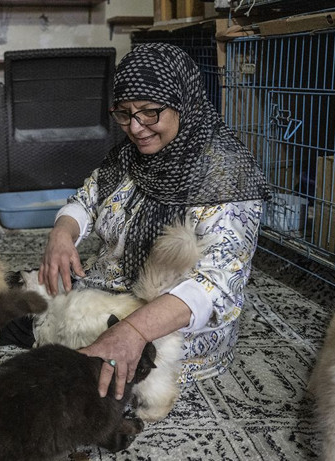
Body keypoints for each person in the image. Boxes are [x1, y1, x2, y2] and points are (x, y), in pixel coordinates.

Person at [38, 42, 271, 400]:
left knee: (73, 374)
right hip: (107, 296)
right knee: (6, 309)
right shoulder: (128, 157)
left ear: (183, 102)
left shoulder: (225, 175)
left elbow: (216, 286)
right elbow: (87, 199)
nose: (135, 127)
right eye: (124, 113)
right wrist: (61, 234)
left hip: (172, 330)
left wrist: (132, 331)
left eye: (149, 112)